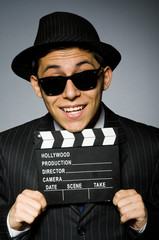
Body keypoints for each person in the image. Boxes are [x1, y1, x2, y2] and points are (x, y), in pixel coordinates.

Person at [0, 11, 159, 240]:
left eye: (84, 77)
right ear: (37, 86)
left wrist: (146, 223)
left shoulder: (152, 145)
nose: (71, 94)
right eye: (53, 82)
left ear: (104, 77)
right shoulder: (5, 150)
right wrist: (10, 225)